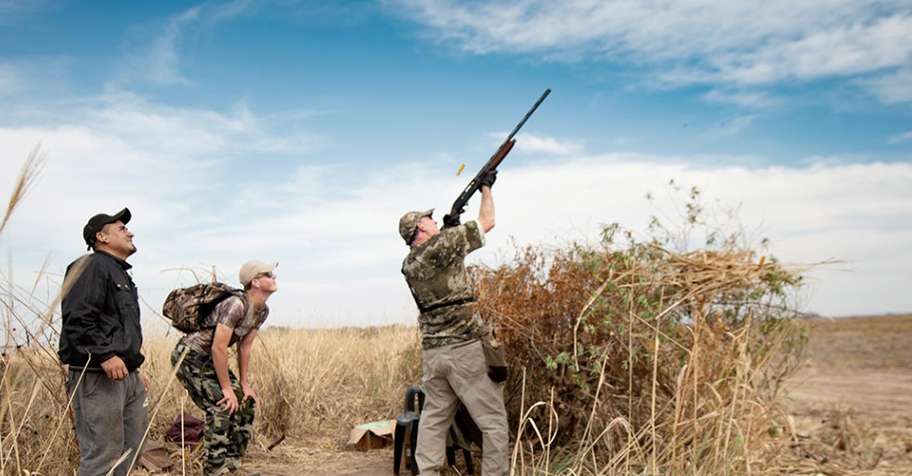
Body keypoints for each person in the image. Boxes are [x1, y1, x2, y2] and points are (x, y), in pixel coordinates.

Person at [399, 171, 509, 475]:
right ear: (421, 226)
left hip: (434, 353)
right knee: (494, 424)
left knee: (434, 420)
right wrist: (486, 189)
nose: (435, 222)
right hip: (464, 348)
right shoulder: (441, 246)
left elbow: (440, 260)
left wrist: (449, 228)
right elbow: (488, 222)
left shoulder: (409, 264)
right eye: (430, 220)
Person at [59, 207, 148, 476]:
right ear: (102, 237)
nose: (130, 232)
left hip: (126, 375)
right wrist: (105, 355)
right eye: (121, 228)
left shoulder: (120, 273)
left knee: (132, 449)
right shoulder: (90, 266)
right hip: (99, 374)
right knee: (103, 456)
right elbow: (77, 317)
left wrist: (134, 369)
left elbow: (119, 328)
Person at [172, 260, 278, 476]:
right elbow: (219, 348)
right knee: (221, 403)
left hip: (211, 359)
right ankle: (215, 469)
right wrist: (227, 389)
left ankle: (233, 465)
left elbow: (245, 347)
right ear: (255, 282)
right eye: (269, 274)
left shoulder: (261, 310)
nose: (274, 277)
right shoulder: (235, 305)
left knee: (245, 402)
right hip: (190, 356)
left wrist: (244, 385)